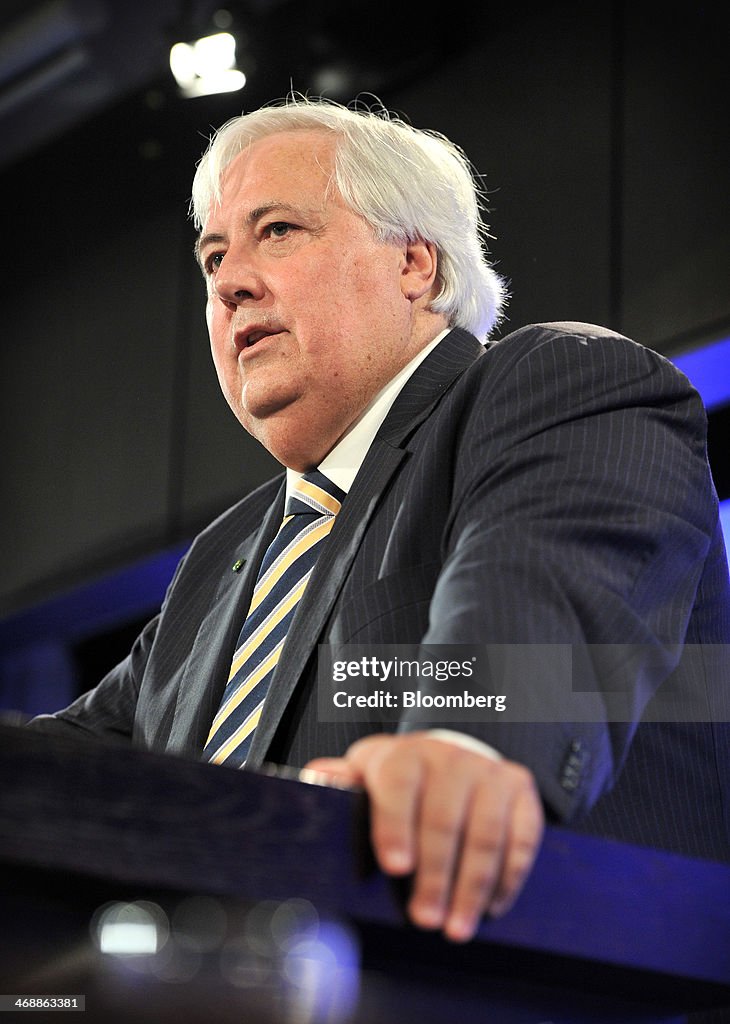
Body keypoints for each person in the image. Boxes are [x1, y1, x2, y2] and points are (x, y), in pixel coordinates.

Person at [30, 97, 730, 947]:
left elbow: (547, 583)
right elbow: (70, 764)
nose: (227, 280)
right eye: (214, 254)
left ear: (415, 265)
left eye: (278, 230)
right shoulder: (223, 562)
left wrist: (467, 747)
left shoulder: (556, 385)